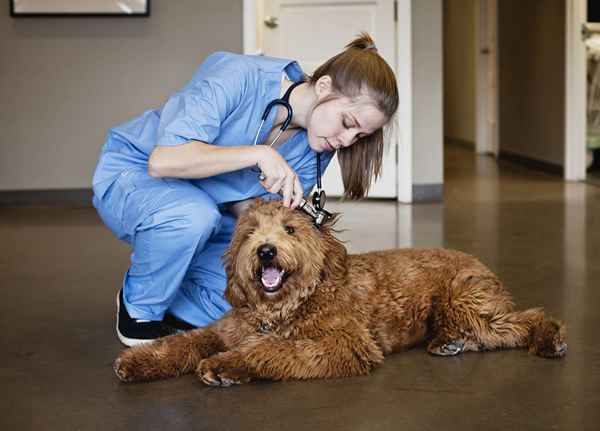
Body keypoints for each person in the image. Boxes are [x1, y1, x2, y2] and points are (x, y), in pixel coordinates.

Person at [92, 32, 399, 347]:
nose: (348, 141)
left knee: (246, 294)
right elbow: (164, 161)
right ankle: (139, 306)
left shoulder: (318, 147)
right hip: (137, 174)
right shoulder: (238, 76)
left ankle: (164, 280)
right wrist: (260, 154)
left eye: (360, 136)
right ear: (324, 87)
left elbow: (249, 214)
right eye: (348, 123)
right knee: (191, 217)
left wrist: (274, 212)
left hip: (215, 210)